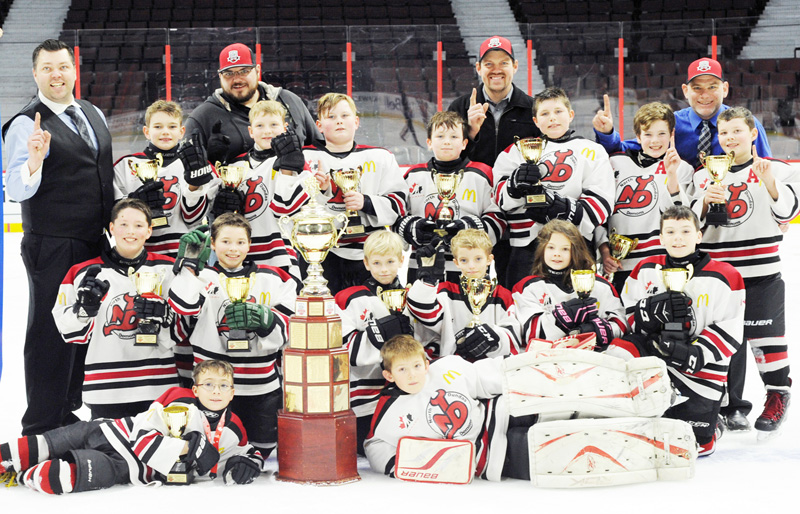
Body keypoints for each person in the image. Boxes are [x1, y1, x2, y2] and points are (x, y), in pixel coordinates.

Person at [2, 39, 115, 435]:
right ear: (35, 74)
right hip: (52, 241)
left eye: (63, 66)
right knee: (50, 332)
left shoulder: (92, 112)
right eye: (47, 68)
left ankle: (68, 412)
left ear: (74, 69)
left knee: (83, 327)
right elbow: (16, 188)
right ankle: (41, 424)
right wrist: (34, 161)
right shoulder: (24, 123)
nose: (56, 75)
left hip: (93, 239)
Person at [0, 360, 263, 494]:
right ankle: (6, 459)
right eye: (208, 384)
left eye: (223, 385)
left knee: (59, 477)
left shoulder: (234, 428)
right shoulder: (179, 401)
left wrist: (250, 465)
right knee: (54, 440)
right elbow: (142, 438)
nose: (216, 391)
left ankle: (22, 476)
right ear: (195, 389)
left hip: (133, 468)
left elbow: (247, 452)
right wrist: (184, 447)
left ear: (232, 393)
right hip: (114, 431)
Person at [691, 107, 796, 436]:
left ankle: (777, 395)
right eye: (724, 133)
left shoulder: (774, 168)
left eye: (737, 131)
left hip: (762, 271)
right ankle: (720, 405)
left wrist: (770, 184)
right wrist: (705, 202)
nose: (730, 138)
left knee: (766, 337)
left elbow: (790, 210)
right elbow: (694, 225)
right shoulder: (703, 174)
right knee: (721, 342)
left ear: (753, 134)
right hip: (720, 275)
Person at [606, 206, 745, 456]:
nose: (677, 238)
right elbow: (626, 318)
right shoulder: (645, 269)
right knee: (619, 350)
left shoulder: (726, 275)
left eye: (684, 231)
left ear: (698, 235)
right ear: (660, 237)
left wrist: (691, 353)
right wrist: (647, 314)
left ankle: (712, 423)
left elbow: (731, 329)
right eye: (669, 231)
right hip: (653, 359)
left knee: (692, 446)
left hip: (700, 373)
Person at [168, 213, 298, 457]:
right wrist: (188, 265)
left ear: (250, 244)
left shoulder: (275, 277)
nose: (233, 249)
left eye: (240, 242)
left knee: (262, 450)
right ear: (213, 244)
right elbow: (183, 306)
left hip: (260, 387)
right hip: (213, 389)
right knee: (212, 451)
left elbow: (289, 332)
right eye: (226, 241)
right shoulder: (202, 276)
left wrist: (265, 320)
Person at [52, 199, 184, 420]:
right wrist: (84, 309)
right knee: (110, 455)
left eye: (139, 225)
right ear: (111, 228)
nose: (130, 231)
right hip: (106, 390)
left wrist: (165, 316)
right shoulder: (82, 272)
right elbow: (69, 333)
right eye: (123, 224)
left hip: (159, 387)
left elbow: (184, 330)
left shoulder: (169, 269)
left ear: (149, 231)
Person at [494, 86, 615, 289]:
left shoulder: (592, 151)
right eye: (545, 113)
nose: (552, 118)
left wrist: (559, 208)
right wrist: (514, 186)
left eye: (558, 112)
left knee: (575, 307)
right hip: (526, 247)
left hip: (575, 245)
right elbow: (498, 198)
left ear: (570, 114)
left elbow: (601, 205)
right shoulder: (516, 151)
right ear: (535, 121)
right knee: (522, 308)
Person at [303, 93, 408, 294]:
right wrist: (322, 191)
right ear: (319, 125)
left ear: (357, 122)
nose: (339, 121)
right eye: (331, 117)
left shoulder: (380, 157)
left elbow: (400, 203)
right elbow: (293, 207)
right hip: (322, 254)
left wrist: (366, 202)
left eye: (345, 115)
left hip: (371, 254)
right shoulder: (306, 158)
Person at [363, 335, 507, 480]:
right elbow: (373, 445)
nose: (412, 375)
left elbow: (482, 375)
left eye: (417, 366)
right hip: (488, 456)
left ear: (426, 365)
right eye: (402, 369)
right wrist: (402, 467)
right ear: (389, 375)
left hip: (502, 415)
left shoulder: (446, 366)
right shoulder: (388, 411)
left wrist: (519, 367)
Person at [593, 57, 771, 168]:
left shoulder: (746, 124)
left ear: (724, 89)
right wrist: (607, 133)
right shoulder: (670, 123)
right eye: (697, 88)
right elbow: (624, 151)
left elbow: (768, 167)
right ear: (686, 91)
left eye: (712, 86)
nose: (705, 94)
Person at [395, 111, 506, 284]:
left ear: (464, 143)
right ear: (429, 143)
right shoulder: (413, 175)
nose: (447, 141)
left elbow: (498, 218)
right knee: (423, 309)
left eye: (454, 136)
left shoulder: (482, 174)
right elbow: (396, 216)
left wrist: (469, 228)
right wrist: (412, 229)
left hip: (470, 267)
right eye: (440, 136)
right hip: (423, 264)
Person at [208, 100, 312, 283]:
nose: (267, 131)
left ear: (285, 127)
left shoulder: (297, 162)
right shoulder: (234, 165)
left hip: (280, 253)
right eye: (260, 125)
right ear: (250, 131)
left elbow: (287, 209)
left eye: (274, 125)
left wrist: (288, 171)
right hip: (239, 252)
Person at [596, 102, 695, 292]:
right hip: (620, 265)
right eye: (648, 134)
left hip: (663, 263)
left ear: (672, 135)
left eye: (661, 134)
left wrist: (672, 175)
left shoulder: (682, 168)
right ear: (638, 137)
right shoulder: (615, 164)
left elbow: (680, 216)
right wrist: (605, 251)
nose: (655, 140)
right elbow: (602, 214)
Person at [334, 230, 415, 454]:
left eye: (390, 262)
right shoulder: (349, 297)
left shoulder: (412, 296)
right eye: (377, 263)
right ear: (366, 263)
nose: (384, 269)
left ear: (401, 260)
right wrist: (381, 332)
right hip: (365, 399)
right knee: (364, 448)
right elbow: (345, 349)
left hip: (405, 392)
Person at [183, 43, 321, 164]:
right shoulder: (203, 116)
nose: (237, 79)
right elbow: (186, 169)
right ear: (220, 77)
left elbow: (319, 149)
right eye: (228, 74)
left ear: (257, 70)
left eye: (244, 71)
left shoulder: (289, 100)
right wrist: (210, 159)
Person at [113, 100, 214, 258]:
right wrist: (133, 202)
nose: (165, 132)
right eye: (158, 126)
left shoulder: (197, 165)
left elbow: (193, 218)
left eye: (172, 127)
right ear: (146, 132)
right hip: (138, 253)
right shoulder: (126, 165)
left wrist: (195, 186)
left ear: (182, 131)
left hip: (184, 252)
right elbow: (113, 215)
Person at [406, 229, 520, 359]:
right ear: (456, 262)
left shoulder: (502, 295)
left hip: (492, 367)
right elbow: (423, 313)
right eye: (464, 260)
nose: (471, 266)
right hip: (454, 369)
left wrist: (492, 338)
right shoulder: (445, 292)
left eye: (478, 259)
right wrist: (427, 282)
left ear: (489, 259)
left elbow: (512, 333)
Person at [513, 220, 626, 350]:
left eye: (565, 249)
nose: (557, 253)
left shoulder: (601, 285)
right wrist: (562, 318)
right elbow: (530, 334)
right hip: (547, 359)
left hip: (595, 358)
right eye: (551, 247)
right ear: (542, 249)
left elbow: (622, 325)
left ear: (576, 251)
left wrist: (597, 330)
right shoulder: (527, 287)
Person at [447, 36, 541, 168]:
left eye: (504, 63)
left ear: (515, 66)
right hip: (472, 188)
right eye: (489, 64)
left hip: (517, 188)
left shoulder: (534, 108)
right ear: (479, 68)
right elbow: (446, 158)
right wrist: (471, 133)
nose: (496, 70)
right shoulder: (459, 108)